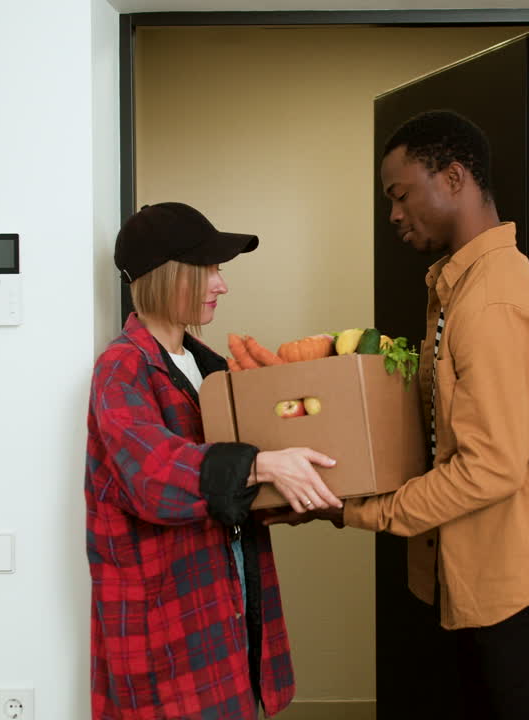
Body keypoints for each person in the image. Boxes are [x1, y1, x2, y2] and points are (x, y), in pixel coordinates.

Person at [269, 110, 529, 719]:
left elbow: (488, 469)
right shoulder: (460, 289)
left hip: (528, 596)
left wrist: (354, 511)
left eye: (400, 195)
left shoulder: (493, 301)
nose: (394, 214)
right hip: (482, 582)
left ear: (453, 178)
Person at [85, 202, 341, 720]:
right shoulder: (122, 368)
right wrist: (265, 467)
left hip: (231, 596)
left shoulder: (212, 368)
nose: (221, 284)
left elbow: (237, 483)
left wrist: (308, 493)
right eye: (209, 270)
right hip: (168, 616)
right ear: (167, 275)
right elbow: (154, 475)